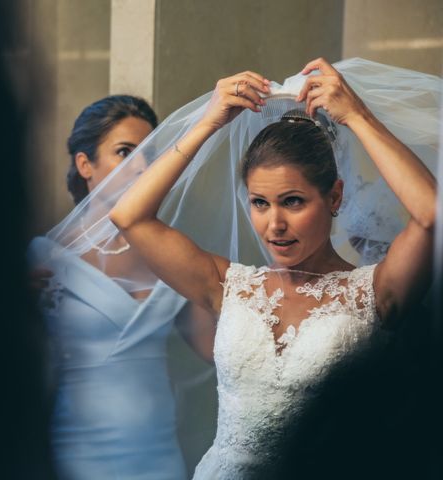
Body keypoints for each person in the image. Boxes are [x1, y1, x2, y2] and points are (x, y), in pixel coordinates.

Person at [109, 58, 437, 478]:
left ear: (334, 198)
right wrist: (210, 122)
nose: (274, 224)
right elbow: (129, 217)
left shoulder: (375, 292)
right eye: (260, 203)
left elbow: (431, 215)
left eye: (293, 201)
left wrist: (357, 115)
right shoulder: (230, 286)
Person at [29, 95, 204, 479]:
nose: (142, 166)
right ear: (85, 164)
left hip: (158, 455)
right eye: (125, 152)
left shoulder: (170, 251)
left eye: (149, 154)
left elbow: (216, 351)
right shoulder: (45, 260)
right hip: (76, 455)